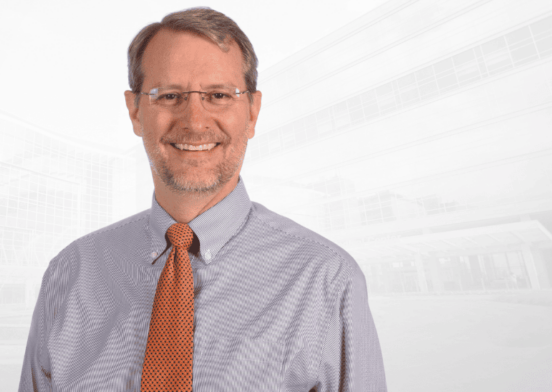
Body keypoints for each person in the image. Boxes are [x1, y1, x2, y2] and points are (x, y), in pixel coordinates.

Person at [19, 7, 386, 392]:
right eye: (170, 95)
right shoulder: (70, 275)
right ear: (135, 112)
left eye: (218, 95)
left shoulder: (327, 280)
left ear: (252, 111)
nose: (195, 121)